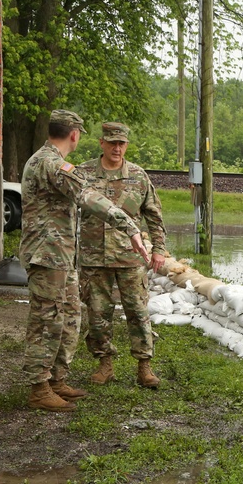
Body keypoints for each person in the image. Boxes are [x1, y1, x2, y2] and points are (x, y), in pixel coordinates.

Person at [19, 110, 149, 412]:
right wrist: (130, 226)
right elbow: (88, 196)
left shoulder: (44, 159)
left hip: (61, 256)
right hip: (47, 256)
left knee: (69, 317)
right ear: (75, 134)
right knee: (46, 321)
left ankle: (56, 379)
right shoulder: (51, 163)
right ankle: (39, 387)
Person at [77, 122, 168, 388]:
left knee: (138, 312)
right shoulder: (83, 173)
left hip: (130, 258)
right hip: (94, 258)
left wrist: (159, 250)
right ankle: (105, 364)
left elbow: (154, 214)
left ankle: (144, 366)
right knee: (97, 313)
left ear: (126, 145)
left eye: (122, 143)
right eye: (112, 142)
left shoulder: (138, 176)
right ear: (101, 143)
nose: (117, 148)